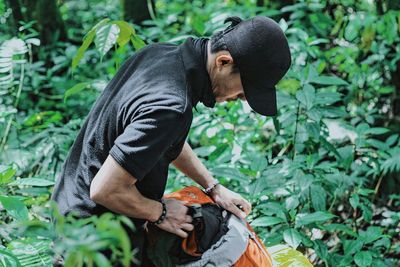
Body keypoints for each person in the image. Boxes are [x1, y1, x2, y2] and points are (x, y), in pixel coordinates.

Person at [50, 15, 291, 266]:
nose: (242, 98)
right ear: (223, 61)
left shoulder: (159, 54)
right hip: (98, 245)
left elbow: (163, 140)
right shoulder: (171, 106)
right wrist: (161, 212)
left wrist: (213, 188)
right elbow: (105, 189)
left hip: (70, 214)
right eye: (245, 89)